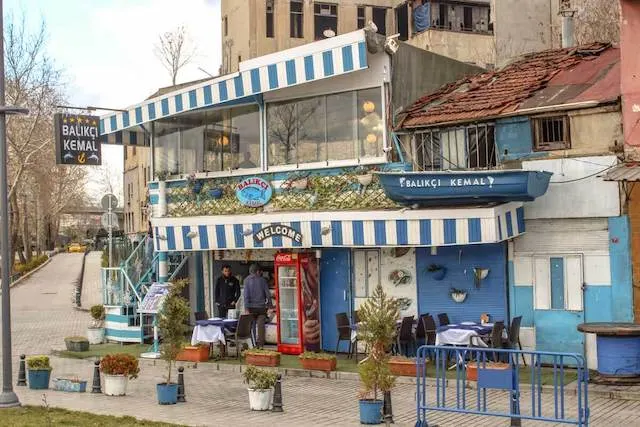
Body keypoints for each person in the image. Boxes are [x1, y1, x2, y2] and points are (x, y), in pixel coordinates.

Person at [243, 263, 272, 348]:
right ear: (258, 271)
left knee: (251, 326)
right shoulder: (262, 280)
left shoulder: (246, 280)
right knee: (260, 326)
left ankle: (252, 344)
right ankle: (260, 344)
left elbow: (246, 296)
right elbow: (268, 294)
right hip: (261, 308)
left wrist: (246, 308)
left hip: (251, 308)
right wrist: (270, 305)